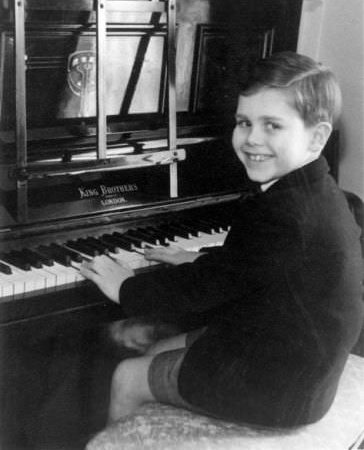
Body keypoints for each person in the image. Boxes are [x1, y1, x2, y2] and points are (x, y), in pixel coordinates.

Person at [80, 51, 364, 427]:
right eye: (244, 122)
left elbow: (203, 289)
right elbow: (258, 262)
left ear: (318, 137)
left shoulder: (282, 212)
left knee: (127, 375)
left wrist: (127, 288)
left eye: (272, 126)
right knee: (161, 346)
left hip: (278, 389)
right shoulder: (318, 192)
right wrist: (196, 259)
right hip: (298, 365)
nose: (252, 139)